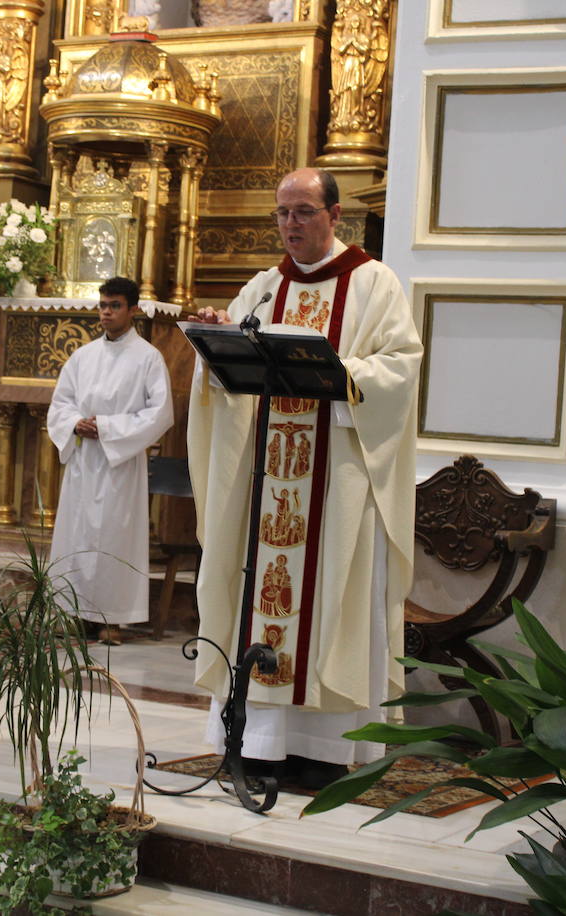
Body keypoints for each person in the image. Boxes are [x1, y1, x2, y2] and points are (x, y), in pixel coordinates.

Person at [186, 167, 421, 789]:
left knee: (333, 605)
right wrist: (218, 343)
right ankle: (258, 743)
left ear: (335, 215)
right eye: (282, 214)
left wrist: (336, 373)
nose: (290, 225)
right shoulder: (264, 289)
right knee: (260, 601)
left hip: (339, 479)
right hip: (269, 480)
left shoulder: (374, 284)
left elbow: (399, 368)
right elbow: (226, 375)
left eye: (303, 212)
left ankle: (326, 750)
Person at [47, 277, 174, 645]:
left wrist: (107, 427)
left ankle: (112, 619)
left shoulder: (148, 358)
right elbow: (61, 403)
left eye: (115, 305)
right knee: (78, 535)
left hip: (119, 464)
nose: (106, 311)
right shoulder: (83, 356)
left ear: (133, 309)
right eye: (103, 304)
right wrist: (75, 423)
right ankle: (73, 612)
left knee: (114, 538)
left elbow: (160, 413)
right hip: (84, 462)